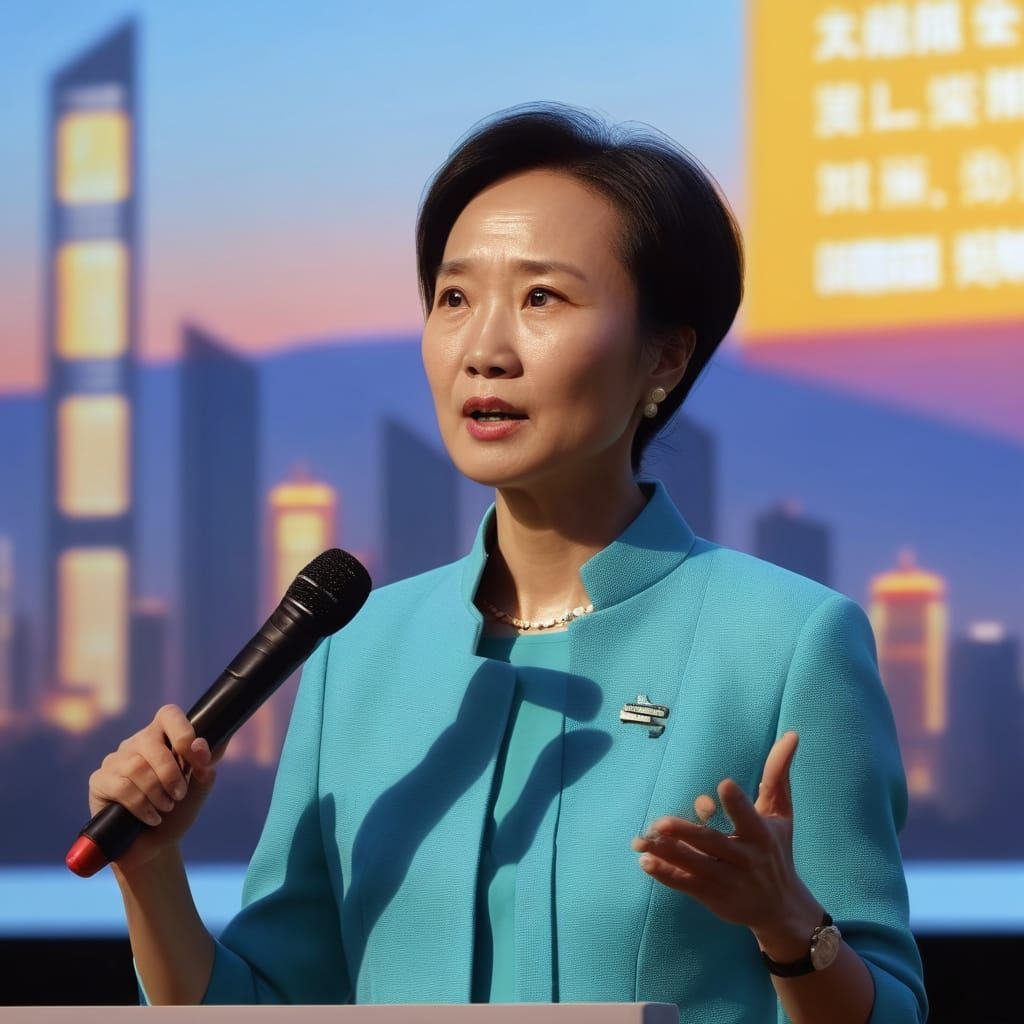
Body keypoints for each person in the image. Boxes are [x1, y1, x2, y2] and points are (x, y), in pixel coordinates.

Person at [89, 102, 928, 1023]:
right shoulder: (356, 652)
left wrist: (786, 922)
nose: (484, 351)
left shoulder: (788, 642)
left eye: (541, 299)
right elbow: (265, 1009)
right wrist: (150, 869)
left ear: (664, 358)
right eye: (454, 298)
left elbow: (890, 1011)